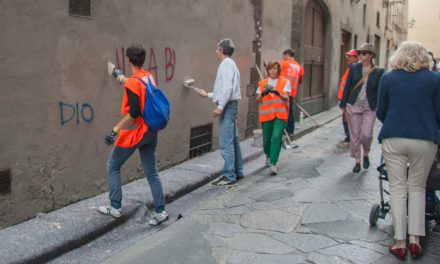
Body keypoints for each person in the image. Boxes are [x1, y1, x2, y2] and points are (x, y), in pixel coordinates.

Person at [376, 41, 440, 260]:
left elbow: (381, 111)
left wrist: (395, 123)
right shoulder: (435, 79)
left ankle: (400, 243)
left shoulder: (388, 78)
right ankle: (415, 240)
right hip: (425, 138)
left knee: (397, 188)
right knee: (418, 188)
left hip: (394, 136)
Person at [99, 44, 168, 226]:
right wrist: (119, 76)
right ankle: (161, 212)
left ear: (129, 60)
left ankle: (114, 207)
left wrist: (115, 129)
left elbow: (134, 112)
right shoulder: (148, 76)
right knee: (151, 171)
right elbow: (139, 88)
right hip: (151, 130)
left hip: (136, 132)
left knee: (113, 165)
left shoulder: (133, 83)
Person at [195, 38, 244, 186]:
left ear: (222, 50)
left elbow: (228, 88)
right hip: (231, 105)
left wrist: (220, 107)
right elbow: (225, 89)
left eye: (217, 50)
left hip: (228, 106)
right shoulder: (231, 64)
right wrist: (208, 95)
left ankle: (229, 176)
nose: (216, 52)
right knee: (233, 140)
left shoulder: (226, 64)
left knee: (226, 142)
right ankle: (237, 171)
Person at [340, 43, 384, 173]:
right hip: (353, 105)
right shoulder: (354, 68)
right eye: (360, 53)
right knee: (354, 135)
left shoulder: (378, 71)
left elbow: (380, 91)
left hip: (369, 107)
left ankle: (366, 152)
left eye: (364, 53)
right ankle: (357, 161)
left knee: (366, 134)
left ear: (371, 55)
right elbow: (348, 86)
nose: (361, 55)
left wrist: (379, 106)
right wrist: (343, 104)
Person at [256, 61, 290, 175]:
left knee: (276, 137)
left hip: (280, 116)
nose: (272, 70)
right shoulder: (262, 83)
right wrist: (263, 94)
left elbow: (286, 98)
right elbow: (257, 100)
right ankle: (268, 154)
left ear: (278, 70)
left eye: (275, 68)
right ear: (268, 70)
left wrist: (278, 93)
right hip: (266, 115)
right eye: (271, 68)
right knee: (266, 140)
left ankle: (273, 163)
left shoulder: (285, 82)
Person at [279, 49, 304, 141]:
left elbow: (275, 73)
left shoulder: (283, 63)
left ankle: (284, 130)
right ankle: (291, 130)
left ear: (287, 55)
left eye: (284, 56)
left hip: (283, 91)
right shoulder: (299, 67)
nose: (283, 58)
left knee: (283, 111)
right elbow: (300, 81)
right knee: (290, 111)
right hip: (292, 92)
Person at [337, 49, 359, 148]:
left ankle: (350, 139)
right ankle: (349, 138)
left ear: (356, 58)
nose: (348, 58)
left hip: (350, 100)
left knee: (348, 119)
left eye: (351, 56)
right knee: (346, 118)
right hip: (345, 99)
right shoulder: (350, 69)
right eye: (348, 56)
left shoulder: (355, 70)